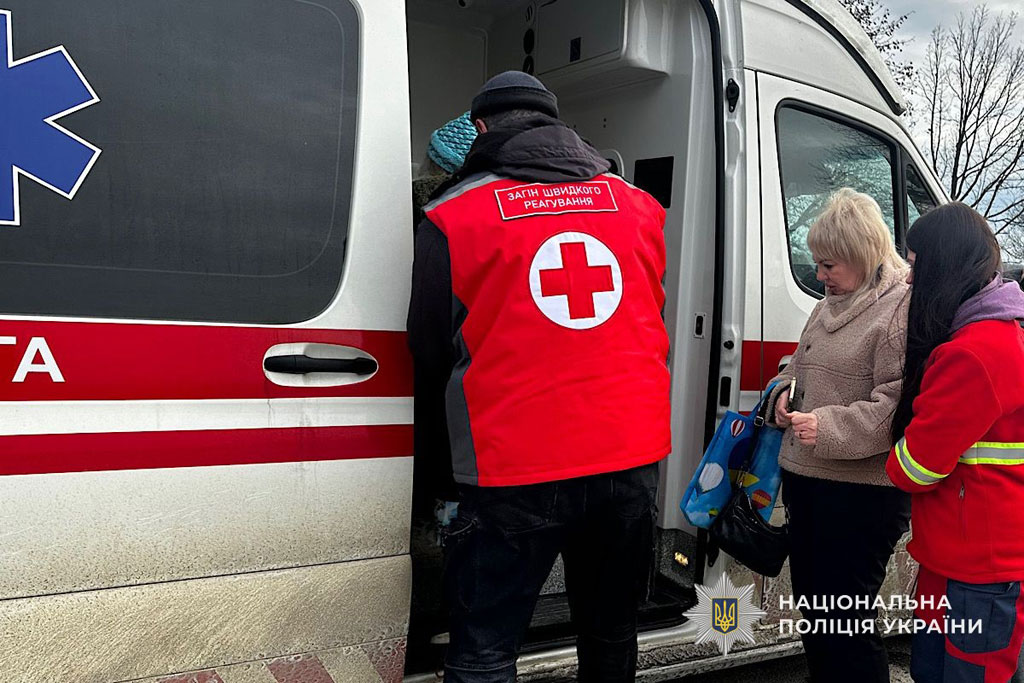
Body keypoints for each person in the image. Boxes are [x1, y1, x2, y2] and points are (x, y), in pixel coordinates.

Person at [406, 71, 671, 683]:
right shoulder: (638, 208)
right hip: (627, 460)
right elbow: (643, 317)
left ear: (479, 128)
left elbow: (427, 347)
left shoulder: (451, 217)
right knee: (610, 633)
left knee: (485, 652)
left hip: (511, 464)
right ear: (558, 124)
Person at [766, 188, 911, 682]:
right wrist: (783, 395)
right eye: (818, 263)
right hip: (810, 480)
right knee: (816, 611)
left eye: (829, 264)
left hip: (862, 494)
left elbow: (897, 405)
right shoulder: (831, 302)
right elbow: (799, 365)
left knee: (845, 622)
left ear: (862, 255)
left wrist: (827, 425)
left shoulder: (898, 310)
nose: (820, 275)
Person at [885, 203, 1024, 683]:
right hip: (961, 558)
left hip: (977, 571)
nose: (908, 279)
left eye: (915, 263)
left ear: (941, 267)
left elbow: (913, 469)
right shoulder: (995, 336)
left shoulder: (973, 352)